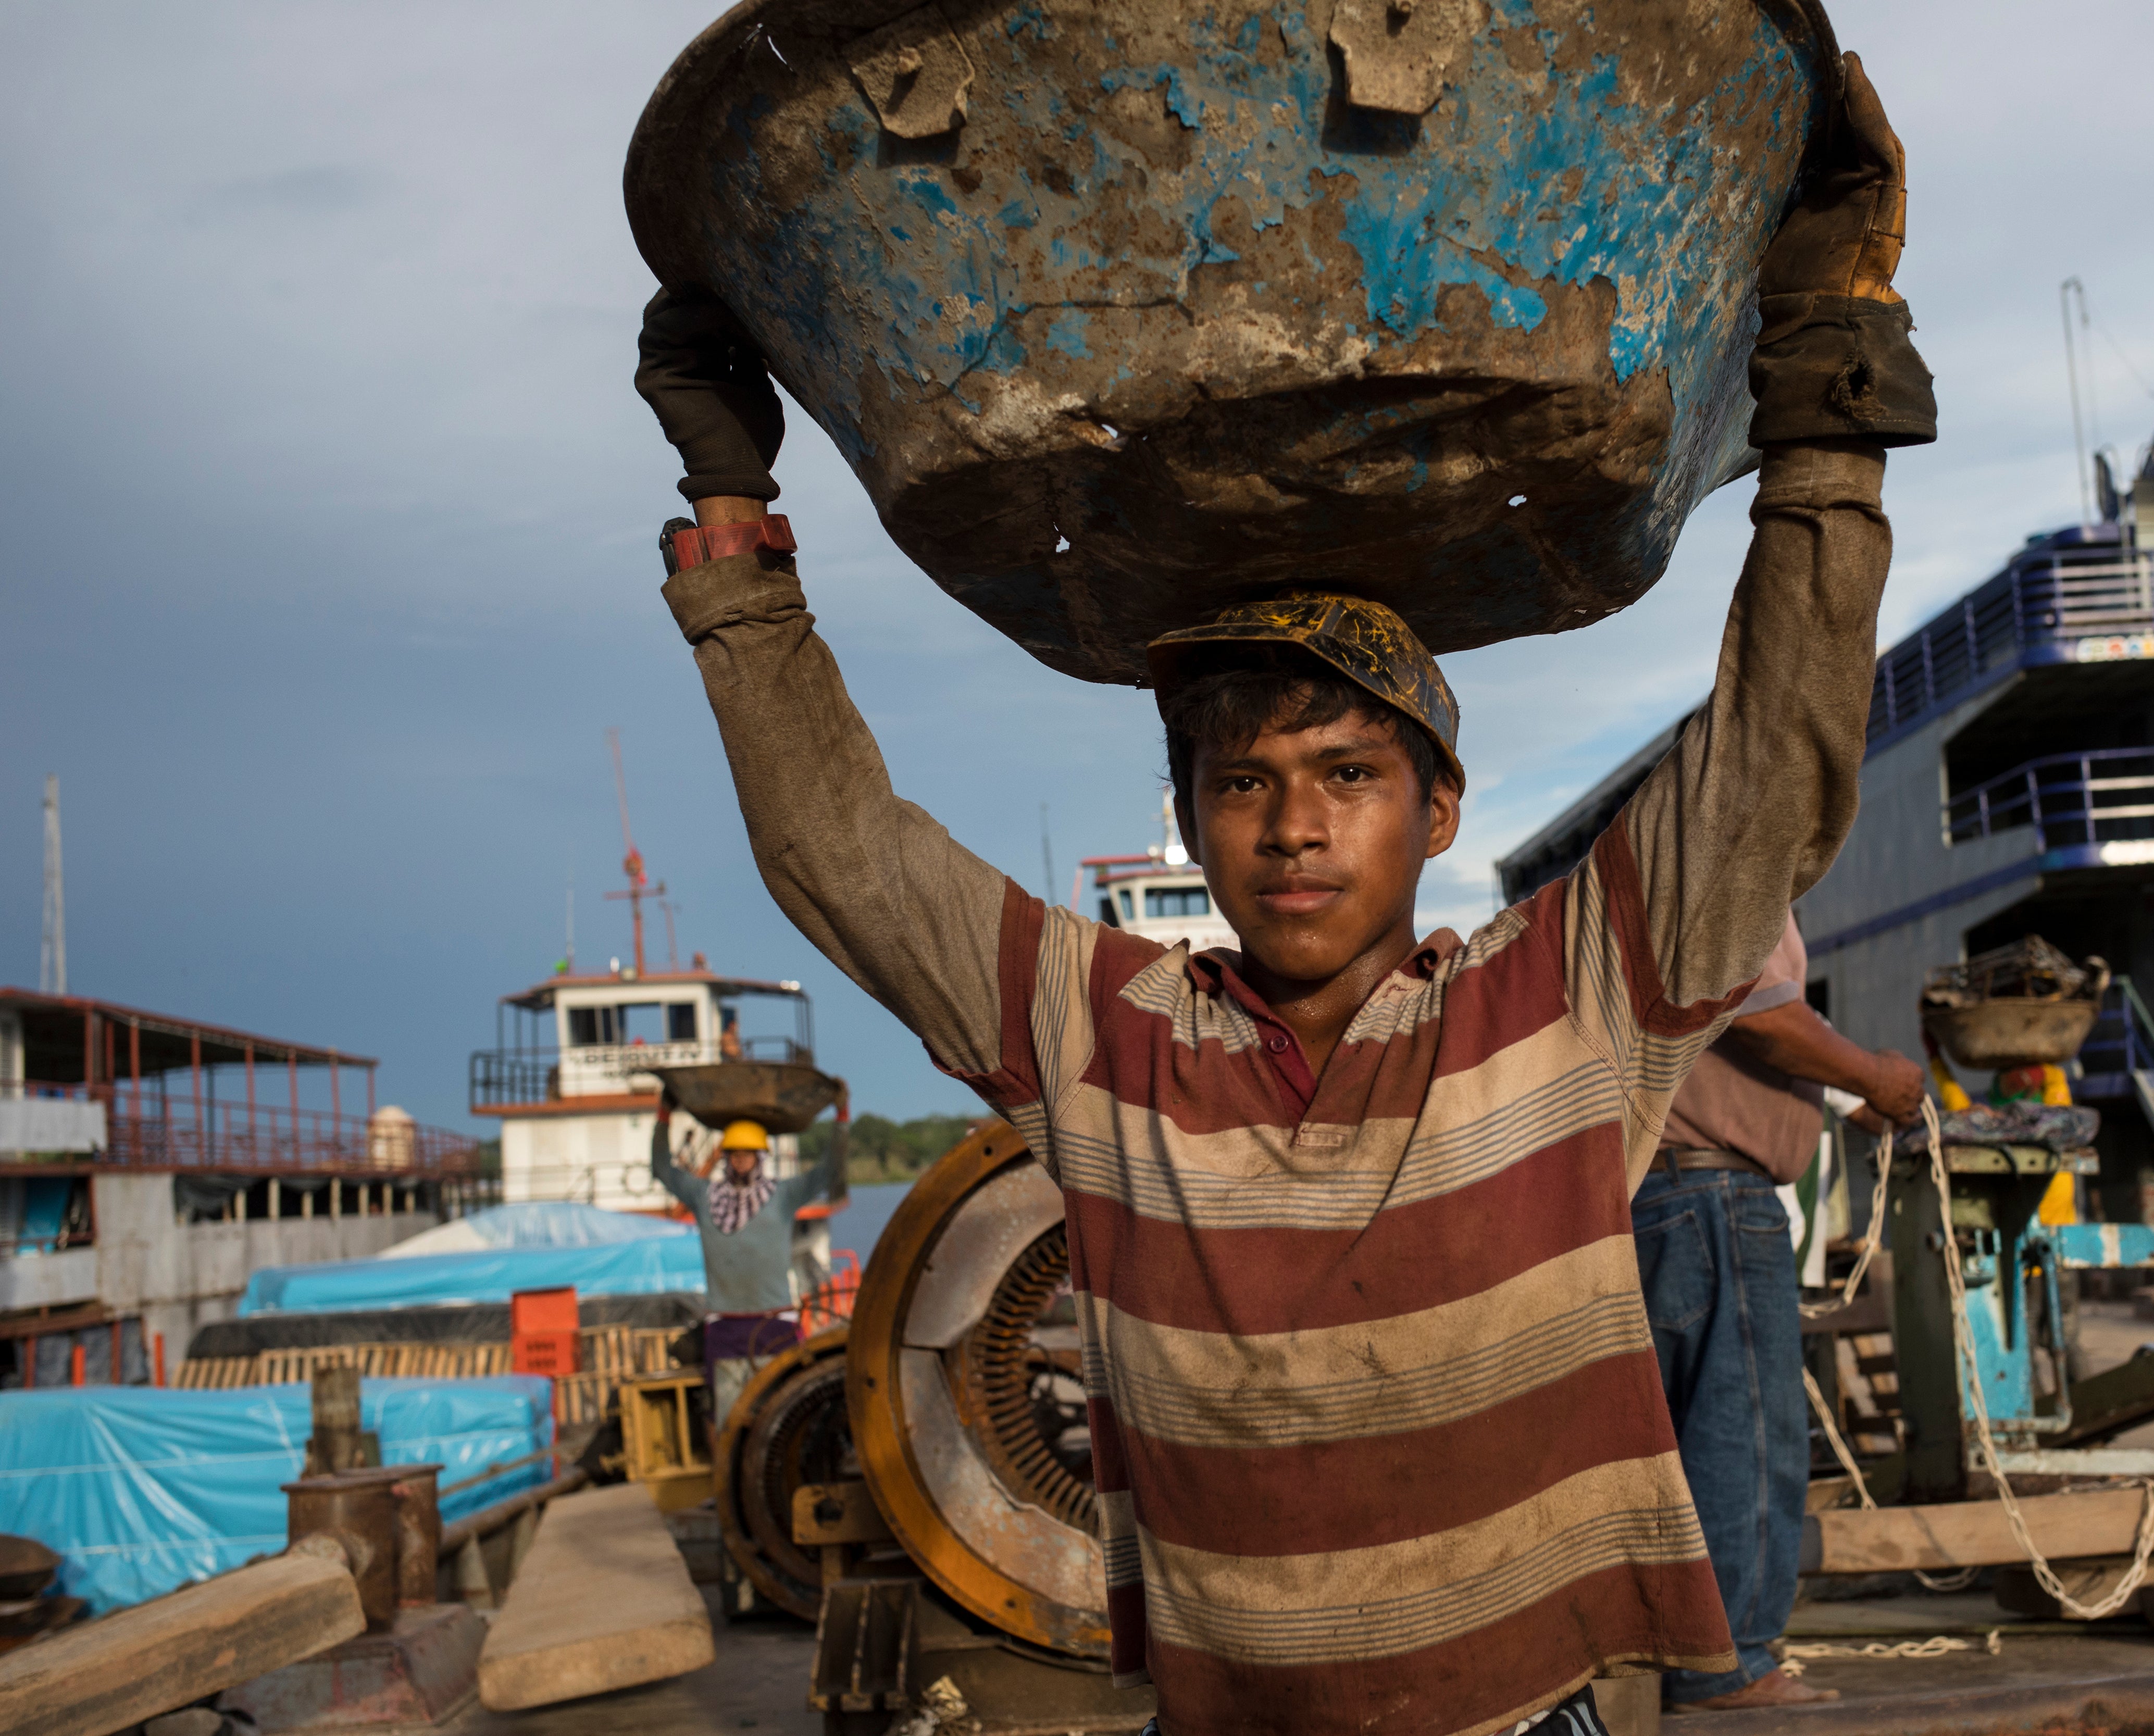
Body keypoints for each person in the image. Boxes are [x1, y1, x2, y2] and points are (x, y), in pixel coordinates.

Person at [634, 56, 1929, 1736]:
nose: (1293, 830)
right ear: (1187, 819)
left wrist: (1826, 433)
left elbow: (1776, 752)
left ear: (1436, 807)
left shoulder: (1567, 1000)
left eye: (1347, 775)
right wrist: (733, 521)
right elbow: (843, 852)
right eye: (1241, 783)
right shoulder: (1101, 1041)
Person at [1636, 911, 1924, 1710]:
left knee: (1680, 1440)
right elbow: (1765, 1020)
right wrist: (1877, 1075)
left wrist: (1860, 1088)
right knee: (1748, 1433)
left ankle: (1672, 1654)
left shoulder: (1667, 890)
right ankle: (1727, 1665)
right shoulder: (1737, 880)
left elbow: (1785, 1035)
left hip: (1662, 1191)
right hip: (1716, 1191)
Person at [650, 1106, 843, 1421]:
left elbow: (829, 1170)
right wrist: (663, 1117)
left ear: (760, 1157)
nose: (740, 1159)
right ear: (725, 1157)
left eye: (748, 1153)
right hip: (724, 1327)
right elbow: (662, 1168)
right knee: (726, 1419)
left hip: (775, 1324)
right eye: (734, 1153)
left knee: (786, 1413)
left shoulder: (783, 1195)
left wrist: (842, 1119)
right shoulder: (705, 1196)